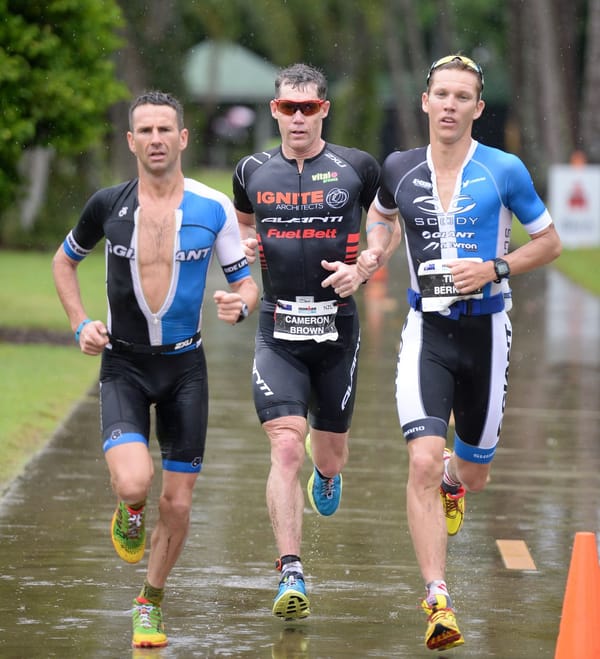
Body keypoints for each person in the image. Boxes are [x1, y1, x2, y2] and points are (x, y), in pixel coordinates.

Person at [360, 55, 562, 651]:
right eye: (441, 94)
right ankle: (437, 597)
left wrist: (496, 267)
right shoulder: (398, 167)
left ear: (477, 107)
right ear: (425, 101)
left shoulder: (504, 169)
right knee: (420, 459)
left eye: (462, 97)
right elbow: (382, 217)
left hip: (487, 334)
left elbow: (548, 242)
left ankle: (456, 477)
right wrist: (375, 252)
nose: (449, 105)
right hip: (426, 332)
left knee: (472, 472)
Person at [52, 90, 258, 649]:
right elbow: (63, 262)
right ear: (131, 141)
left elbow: (244, 281)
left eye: (165, 129)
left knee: (181, 502)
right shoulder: (107, 205)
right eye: (145, 131)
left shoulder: (213, 207)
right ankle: (130, 509)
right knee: (135, 482)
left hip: (185, 369)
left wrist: (242, 302)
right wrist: (80, 324)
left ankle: (150, 601)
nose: (156, 140)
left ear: (183, 137)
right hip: (123, 365)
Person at [232, 63, 396, 620]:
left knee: (328, 452)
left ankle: (326, 473)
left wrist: (368, 265)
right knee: (283, 446)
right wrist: (248, 247)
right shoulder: (251, 169)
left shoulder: (357, 167)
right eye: (287, 108)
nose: (297, 118)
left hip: (336, 327)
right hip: (278, 328)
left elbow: (385, 223)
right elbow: (243, 221)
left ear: (324, 109)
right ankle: (291, 572)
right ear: (274, 110)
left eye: (308, 108)